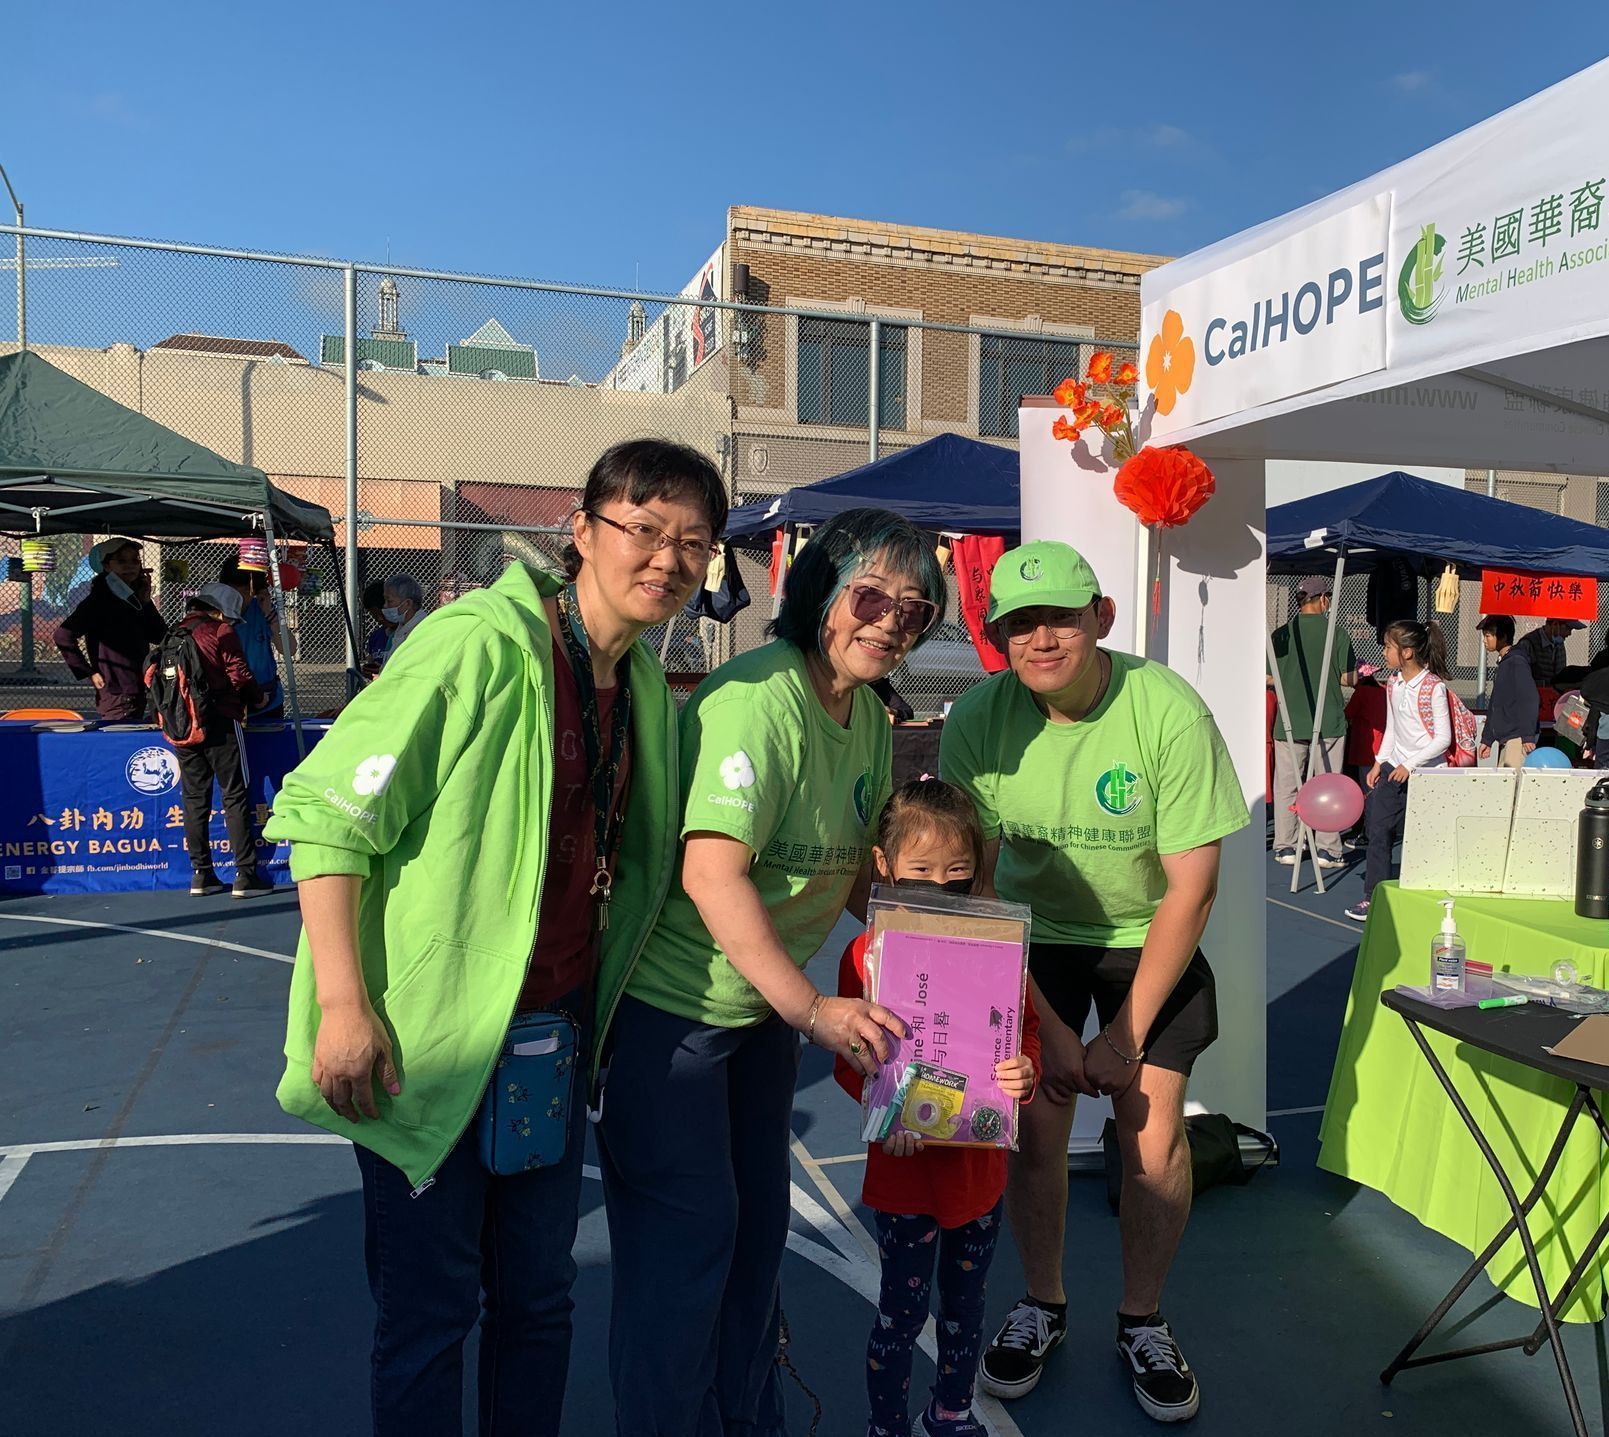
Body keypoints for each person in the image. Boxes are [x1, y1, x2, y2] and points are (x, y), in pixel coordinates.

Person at [264, 438, 727, 1437]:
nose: (668, 559)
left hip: (546, 1040)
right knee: (430, 1313)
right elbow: (325, 816)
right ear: (581, 531)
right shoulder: (477, 645)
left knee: (539, 1301)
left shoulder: (644, 685)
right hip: (427, 1040)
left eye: (693, 542)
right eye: (644, 530)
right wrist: (346, 1005)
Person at [597, 507, 946, 1437]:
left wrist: (965, 968)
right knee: (686, 1253)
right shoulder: (761, 699)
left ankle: (747, 1421)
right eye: (870, 596)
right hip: (674, 1018)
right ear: (821, 595)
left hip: (759, 1017)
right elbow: (712, 875)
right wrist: (814, 1009)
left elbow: (854, 878)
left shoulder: (866, 716)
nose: (888, 621)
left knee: (753, 1246)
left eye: (915, 612)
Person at [940, 541, 1248, 1425]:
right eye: (1019, 623)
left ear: (1099, 618)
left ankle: (1140, 1316)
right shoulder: (978, 719)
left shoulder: (1164, 710)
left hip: (1146, 940)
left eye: (1059, 617)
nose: (1040, 637)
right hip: (1034, 944)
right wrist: (1056, 1031)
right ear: (996, 635)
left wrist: (1121, 1036)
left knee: (1149, 1145)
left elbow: (1192, 885)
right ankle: (1042, 1301)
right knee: (1036, 1130)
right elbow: (981, 887)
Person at [834, 779, 1040, 1437]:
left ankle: (950, 1408)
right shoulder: (865, 952)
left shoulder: (1000, 943)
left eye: (958, 872)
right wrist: (884, 1106)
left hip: (977, 1174)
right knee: (899, 1308)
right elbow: (849, 1057)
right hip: (903, 1173)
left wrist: (1022, 1071)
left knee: (966, 1305)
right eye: (920, 871)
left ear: (979, 869)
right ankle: (886, 1422)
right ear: (884, 864)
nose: (940, 884)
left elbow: (1022, 1031)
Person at [1344, 619, 1451, 924]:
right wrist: (1381, 761)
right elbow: (1392, 727)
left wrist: (1410, 764)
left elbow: (1443, 738)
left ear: (1406, 652)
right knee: (1378, 830)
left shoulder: (1434, 687)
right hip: (1394, 769)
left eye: (1389, 646)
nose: (1385, 652)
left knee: (1426, 838)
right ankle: (1373, 897)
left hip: (1428, 774)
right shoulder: (1393, 683)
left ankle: (1429, 897)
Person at [171, 582, 272, 898]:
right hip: (222, 722)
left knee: (194, 799)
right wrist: (257, 698)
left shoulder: (175, 633)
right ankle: (245, 874)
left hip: (183, 725)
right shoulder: (220, 631)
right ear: (220, 610)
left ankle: (201, 874)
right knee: (234, 795)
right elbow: (239, 675)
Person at [1267, 575, 1354, 868]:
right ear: (1324, 599)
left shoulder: (1281, 633)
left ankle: (1286, 846)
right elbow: (1346, 677)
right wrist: (1364, 673)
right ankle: (1328, 848)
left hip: (1289, 720)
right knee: (1327, 785)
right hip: (1327, 719)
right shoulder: (1336, 633)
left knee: (1287, 786)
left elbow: (1268, 676)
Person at [53, 537, 167, 720]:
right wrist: (88, 672)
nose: (130, 566)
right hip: (116, 690)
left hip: (138, 685)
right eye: (121, 561)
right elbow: (63, 635)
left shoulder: (135, 599)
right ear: (106, 566)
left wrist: (146, 602)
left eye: (135, 560)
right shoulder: (98, 601)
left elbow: (160, 635)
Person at [220, 558, 284, 719]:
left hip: (268, 698)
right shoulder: (216, 613)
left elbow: (289, 649)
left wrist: (270, 615)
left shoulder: (261, 610)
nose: (240, 599)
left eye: (246, 592)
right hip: (231, 699)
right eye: (235, 592)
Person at [1475, 614, 1538, 770]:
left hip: (1516, 739)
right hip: (1506, 739)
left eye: (1488, 636)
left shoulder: (1516, 662)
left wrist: (1527, 735)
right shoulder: (1506, 662)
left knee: (1512, 786)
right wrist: (1487, 738)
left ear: (1502, 637)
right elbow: (1496, 704)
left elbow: (1529, 698)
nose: (1484, 640)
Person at [1515, 616, 1586, 690]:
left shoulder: (1559, 643)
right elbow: (1520, 678)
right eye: (1568, 628)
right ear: (1555, 624)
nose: (1569, 633)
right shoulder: (1528, 644)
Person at [360, 580, 396, 678]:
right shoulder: (375, 636)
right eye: (374, 615)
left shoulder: (408, 633)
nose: (379, 619)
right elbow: (371, 661)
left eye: (381, 613)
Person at [383, 574, 427, 649]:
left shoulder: (422, 631)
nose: (385, 606)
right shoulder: (400, 630)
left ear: (407, 603)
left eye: (389, 601)